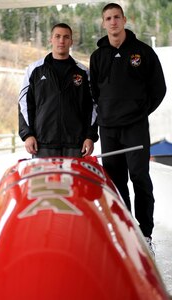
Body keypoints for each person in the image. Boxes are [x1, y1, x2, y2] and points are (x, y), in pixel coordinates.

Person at [90, 3, 166, 255]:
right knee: (116, 181)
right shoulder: (97, 56)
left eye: (116, 17)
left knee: (140, 178)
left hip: (135, 128)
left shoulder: (142, 52)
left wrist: (139, 112)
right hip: (109, 130)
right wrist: (105, 114)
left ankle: (145, 234)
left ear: (125, 20)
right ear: (103, 23)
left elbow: (159, 89)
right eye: (108, 18)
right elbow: (94, 92)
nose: (112, 22)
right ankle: (124, 231)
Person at [19, 23, 98, 158]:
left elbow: (92, 106)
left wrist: (90, 136)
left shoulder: (83, 72)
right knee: (44, 180)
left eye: (66, 37)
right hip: (43, 143)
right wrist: (28, 134)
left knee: (74, 180)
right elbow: (25, 104)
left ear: (71, 42)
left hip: (75, 144)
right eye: (58, 36)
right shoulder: (34, 70)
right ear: (51, 39)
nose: (61, 41)